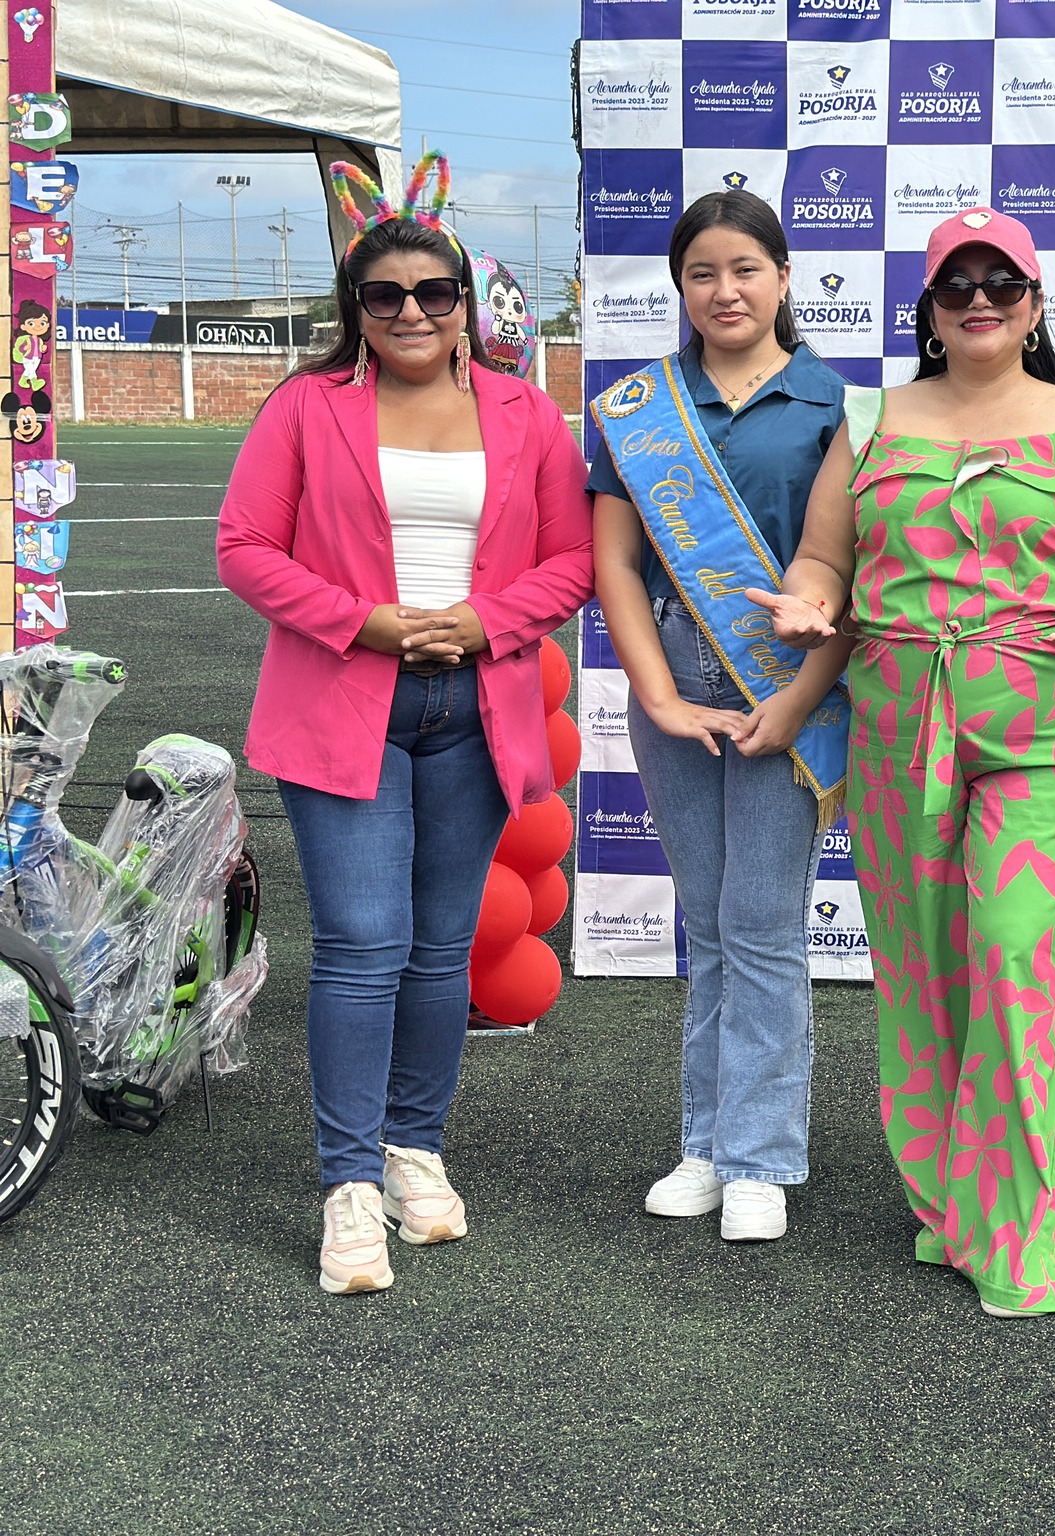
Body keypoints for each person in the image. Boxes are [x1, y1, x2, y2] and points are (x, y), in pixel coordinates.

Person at [756, 207, 1055, 1316]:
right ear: (929, 311)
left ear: (1035, 305)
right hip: (900, 722)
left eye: (1002, 283)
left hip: (1047, 721)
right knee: (923, 969)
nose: (980, 300)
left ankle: (1018, 1233)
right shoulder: (870, 419)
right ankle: (951, 1202)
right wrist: (807, 602)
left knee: (1014, 950)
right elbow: (823, 559)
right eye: (956, 285)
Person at [217, 152, 594, 1295]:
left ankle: (413, 1151)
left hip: (476, 703)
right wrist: (365, 624)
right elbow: (245, 548)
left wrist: (482, 622)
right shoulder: (305, 407)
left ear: (466, 302)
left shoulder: (528, 413)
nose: (412, 311)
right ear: (356, 308)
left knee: (440, 950)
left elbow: (572, 561)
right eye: (384, 295)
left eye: (434, 291)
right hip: (346, 703)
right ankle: (347, 1184)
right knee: (361, 944)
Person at [587, 189, 850, 1243]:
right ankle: (706, 1142)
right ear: (680, 287)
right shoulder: (636, 408)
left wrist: (795, 701)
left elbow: (854, 574)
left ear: (783, 278)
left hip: (794, 681)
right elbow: (614, 562)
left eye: (746, 269)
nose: (725, 290)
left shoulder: (837, 405)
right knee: (707, 920)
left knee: (763, 924)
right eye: (702, 273)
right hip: (673, 676)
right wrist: (654, 694)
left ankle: (759, 1157)